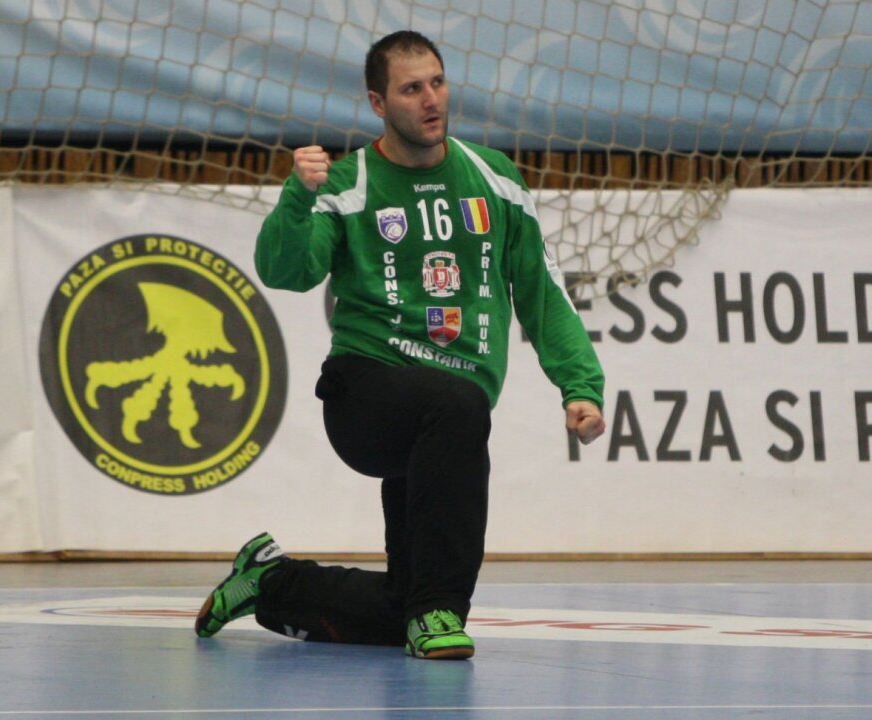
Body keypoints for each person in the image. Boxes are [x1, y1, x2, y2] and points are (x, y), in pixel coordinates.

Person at [196, 29, 606, 660]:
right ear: (378, 103)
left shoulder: (494, 178)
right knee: (458, 407)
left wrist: (580, 386)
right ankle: (442, 611)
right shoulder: (349, 183)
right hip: (366, 394)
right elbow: (287, 271)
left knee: (399, 609)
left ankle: (270, 582)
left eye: (437, 82)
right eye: (411, 88)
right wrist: (298, 197)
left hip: (441, 423)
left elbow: (541, 291)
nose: (430, 99)